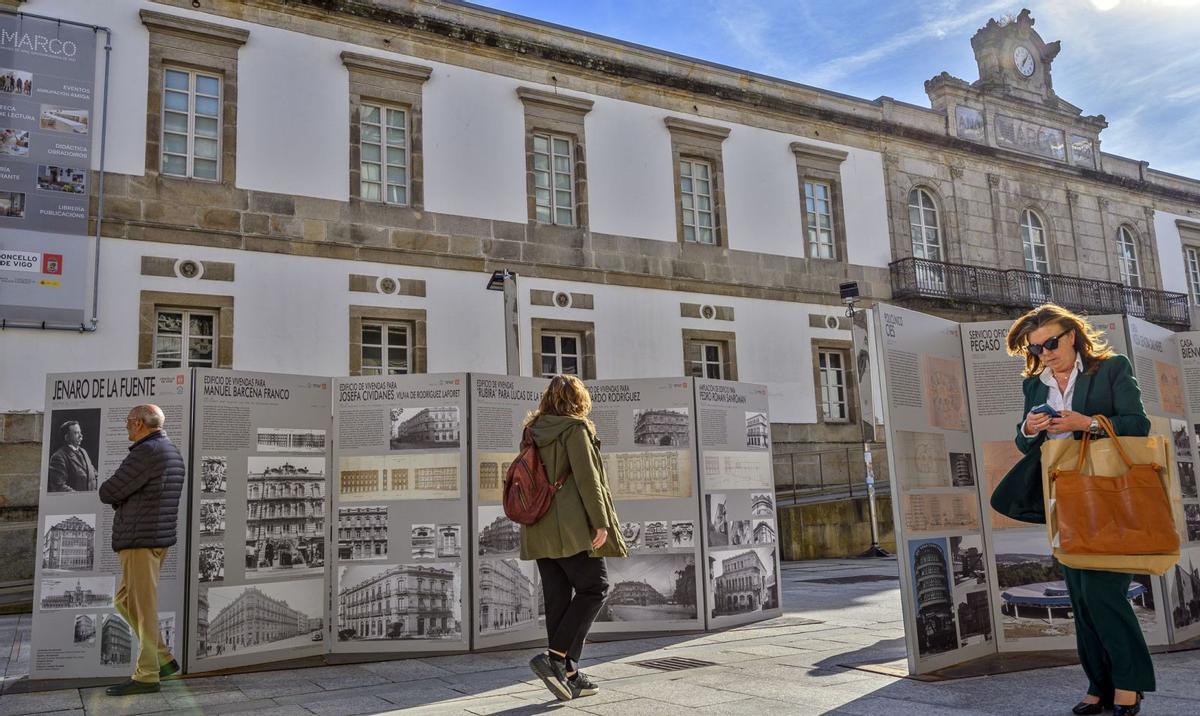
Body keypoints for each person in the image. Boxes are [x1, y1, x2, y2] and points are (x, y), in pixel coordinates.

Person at [992, 304, 1153, 716]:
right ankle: (1097, 685)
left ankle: (1129, 685)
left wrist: (1087, 422)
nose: (1045, 353)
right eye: (1036, 348)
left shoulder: (1111, 367)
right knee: (1079, 596)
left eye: (1051, 343)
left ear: (1072, 336)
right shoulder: (1034, 384)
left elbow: (1137, 424)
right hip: (1062, 495)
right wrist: (1029, 428)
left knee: (1104, 594)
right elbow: (1025, 443)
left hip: (1109, 495)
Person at [521, 375, 628, 701]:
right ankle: (555, 658)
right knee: (595, 587)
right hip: (569, 528)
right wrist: (601, 523)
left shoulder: (532, 431)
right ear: (577, 400)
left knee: (557, 598)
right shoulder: (575, 429)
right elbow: (588, 480)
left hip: (538, 524)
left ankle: (569, 673)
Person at [98, 404, 186, 696]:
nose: (125, 426)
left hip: (140, 541)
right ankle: (162, 657)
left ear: (139, 423)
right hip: (156, 539)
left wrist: (120, 501)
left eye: (127, 421)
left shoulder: (146, 452)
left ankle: (147, 675)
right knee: (125, 601)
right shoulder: (169, 450)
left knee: (142, 608)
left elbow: (109, 491)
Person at [47, 420, 97, 492]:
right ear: (67, 437)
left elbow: (94, 474)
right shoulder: (58, 457)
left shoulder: (83, 452)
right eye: (76, 433)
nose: (81, 436)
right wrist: (80, 497)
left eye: (80, 432)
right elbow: (59, 486)